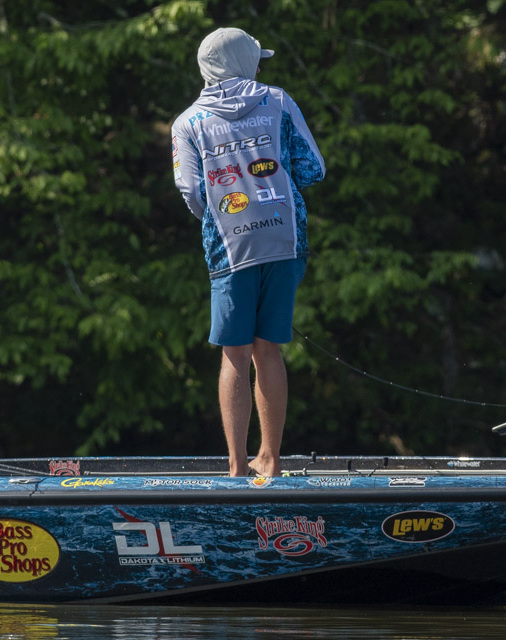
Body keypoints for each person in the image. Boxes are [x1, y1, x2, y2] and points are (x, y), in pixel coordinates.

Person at [171, 27, 325, 477]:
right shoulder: (278, 100)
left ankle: (238, 466)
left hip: (230, 242)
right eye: (256, 60)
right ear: (243, 63)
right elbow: (313, 167)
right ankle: (270, 460)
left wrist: (224, 212)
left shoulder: (188, 122)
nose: (259, 68)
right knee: (267, 348)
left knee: (234, 352)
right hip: (284, 237)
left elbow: (190, 190)